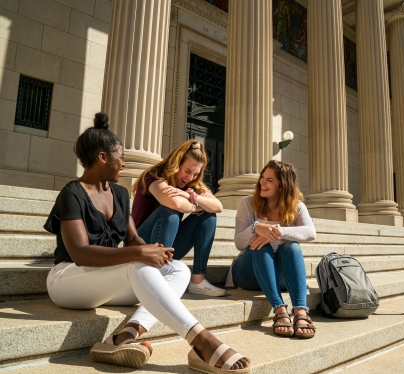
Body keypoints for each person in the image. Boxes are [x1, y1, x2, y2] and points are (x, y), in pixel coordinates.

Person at [44, 113, 250, 372]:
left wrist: (153, 252)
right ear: (102, 157)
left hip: (102, 282)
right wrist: (141, 253)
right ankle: (203, 341)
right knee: (136, 263)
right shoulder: (72, 193)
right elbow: (81, 254)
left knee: (178, 269)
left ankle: (125, 336)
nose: (124, 163)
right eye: (121, 157)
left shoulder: (118, 193)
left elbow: (132, 239)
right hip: (67, 280)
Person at [226, 160, 317, 339]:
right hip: (248, 273)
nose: (262, 182)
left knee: (292, 247)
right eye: (262, 177)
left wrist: (280, 232)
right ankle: (279, 308)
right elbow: (238, 243)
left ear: (283, 185)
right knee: (260, 244)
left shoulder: (297, 207)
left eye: (269, 180)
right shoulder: (247, 203)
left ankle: (300, 311)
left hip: (281, 276)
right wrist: (255, 229)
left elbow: (310, 232)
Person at [131, 139, 226, 297]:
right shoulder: (154, 177)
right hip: (140, 246)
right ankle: (155, 277)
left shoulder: (190, 186)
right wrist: (196, 204)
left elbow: (218, 206)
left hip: (168, 247)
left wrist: (190, 196)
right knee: (169, 212)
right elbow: (173, 203)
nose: (190, 177)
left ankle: (198, 280)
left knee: (208, 216)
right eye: (187, 171)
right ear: (177, 163)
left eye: (195, 174)